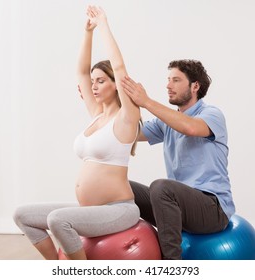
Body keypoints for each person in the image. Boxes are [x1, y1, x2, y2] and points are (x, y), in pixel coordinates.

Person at [13, 6, 140, 260]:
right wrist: (87, 32)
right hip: (90, 209)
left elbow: (119, 65)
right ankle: (57, 268)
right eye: (93, 82)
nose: (93, 86)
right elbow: (81, 72)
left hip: (118, 209)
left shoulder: (126, 118)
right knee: (22, 215)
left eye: (101, 81)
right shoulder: (96, 115)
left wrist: (103, 23)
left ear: (116, 85)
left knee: (58, 220)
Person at [121, 59, 235, 260]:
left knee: (162, 187)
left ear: (195, 86)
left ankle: (172, 267)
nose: (168, 85)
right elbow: (127, 133)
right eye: (168, 80)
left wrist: (146, 102)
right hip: (178, 208)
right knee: (119, 185)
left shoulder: (211, 114)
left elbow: (189, 127)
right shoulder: (165, 123)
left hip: (213, 209)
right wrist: (107, 102)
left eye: (176, 80)